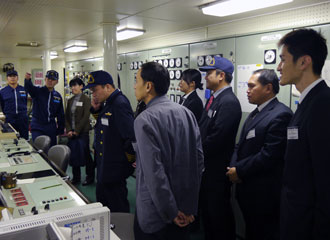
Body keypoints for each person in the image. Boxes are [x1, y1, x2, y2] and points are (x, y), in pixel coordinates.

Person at [133, 62, 204, 240]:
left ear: (148, 86)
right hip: (185, 210)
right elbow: (199, 161)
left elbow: (154, 173)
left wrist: (171, 211)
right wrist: (188, 208)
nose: (134, 86)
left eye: (137, 81)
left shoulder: (144, 120)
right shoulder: (186, 113)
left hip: (157, 215)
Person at [227, 69, 293, 240]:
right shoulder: (256, 113)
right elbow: (239, 145)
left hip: (263, 193)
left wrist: (239, 171)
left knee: (263, 232)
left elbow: (269, 155)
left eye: (251, 86)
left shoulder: (281, 114)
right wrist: (234, 167)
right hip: (247, 187)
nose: (247, 90)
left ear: (268, 88)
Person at [277, 29, 330, 240]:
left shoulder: (323, 105)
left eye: (283, 59)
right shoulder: (308, 102)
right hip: (296, 218)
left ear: (303, 62)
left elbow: (326, 182)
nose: (279, 67)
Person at [198, 56, 242, 240]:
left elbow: (216, 138)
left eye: (209, 74)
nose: (205, 77)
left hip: (216, 169)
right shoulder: (215, 99)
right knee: (209, 214)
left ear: (221, 75)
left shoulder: (229, 102)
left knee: (219, 215)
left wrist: (196, 153)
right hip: (207, 168)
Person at [86, 70, 135, 213]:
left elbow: (131, 137)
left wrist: (127, 162)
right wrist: (96, 110)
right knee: (103, 205)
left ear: (108, 87)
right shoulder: (109, 102)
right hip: (105, 166)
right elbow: (105, 124)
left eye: (95, 90)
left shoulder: (119, 103)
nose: (93, 94)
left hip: (115, 169)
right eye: (91, 91)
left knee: (117, 208)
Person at [65, 77, 94, 185]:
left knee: (86, 154)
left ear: (81, 86)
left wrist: (77, 131)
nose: (73, 88)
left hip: (82, 133)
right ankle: (76, 177)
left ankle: (90, 177)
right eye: (72, 86)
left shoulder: (86, 99)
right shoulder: (70, 100)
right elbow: (67, 117)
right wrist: (69, 130)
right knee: (73, 155)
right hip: (71, 132)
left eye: (75, 85)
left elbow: (85, 116)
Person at [24, 70, 64, 147]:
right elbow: (29, 88)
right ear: (45, 79)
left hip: (51, 127)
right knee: (39, 149)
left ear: (57, 82)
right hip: (38, 126)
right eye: (48, 78)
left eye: (53, 79)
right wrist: (27, 80)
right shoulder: (37, 91)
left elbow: (60, 113)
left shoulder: (57, 96)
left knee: (51, 149)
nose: (50, 81)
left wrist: (60, 128)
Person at [0, 70, 28, 139]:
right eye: (10, 76)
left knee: (24, 139)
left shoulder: (24, 89)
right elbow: (2, 105)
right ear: (7, 78)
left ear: (17, 78)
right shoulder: (3, 91)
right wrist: (7, 114)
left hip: (22, 118)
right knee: (11, 138)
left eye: (14, 76)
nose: (12, 78)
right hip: (10, 118)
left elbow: (25, 101)